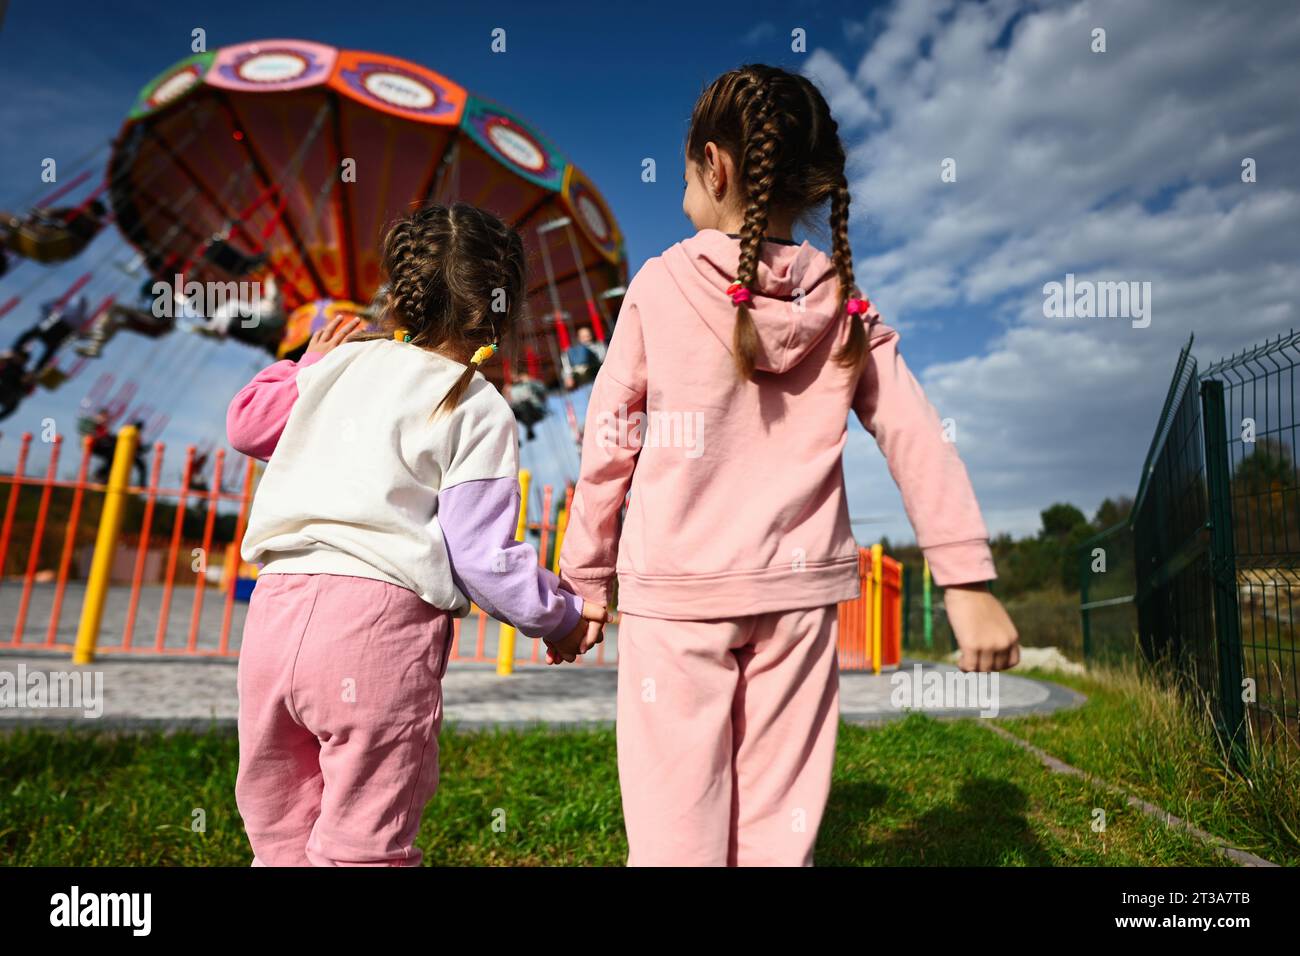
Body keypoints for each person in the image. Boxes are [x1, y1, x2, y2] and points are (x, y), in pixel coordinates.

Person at [557, 65, 1020, 867]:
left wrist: (588, 579)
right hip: (799, 604)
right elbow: (915, 431)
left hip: (676, 599)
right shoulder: (844, 305)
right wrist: (965, 580)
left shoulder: (658, 287)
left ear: (716, 165)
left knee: (675, 836)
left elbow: (608, 445)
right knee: (779, 836)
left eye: (683, 169)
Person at [227, 202, 605, 866]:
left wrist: (302, 362)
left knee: (279, 825)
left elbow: (248, 427)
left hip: (273, 617)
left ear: (398, 297)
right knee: (365, 835)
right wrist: (559, 616)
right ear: (502, 313)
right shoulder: (475, 402)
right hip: (375, 631)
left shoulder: (335, 367)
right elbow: (482, 560)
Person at [0, 199, 108, 264]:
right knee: (7, 239)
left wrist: (39, 214)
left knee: (5, 218)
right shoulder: (92, 231)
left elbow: (51, 213)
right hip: (49, 256)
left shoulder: (77, 214)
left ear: (88, 207)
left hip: (45, 241)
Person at [507, 372, 548, 441]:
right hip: (525, 409)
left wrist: (530, 381)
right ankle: (514, 437)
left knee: (512, 412)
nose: (515, 378)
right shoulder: (511, 388)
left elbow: (542, 388)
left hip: (530, 408)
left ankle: (514, 438)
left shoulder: (528, 384)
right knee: (513, 412)